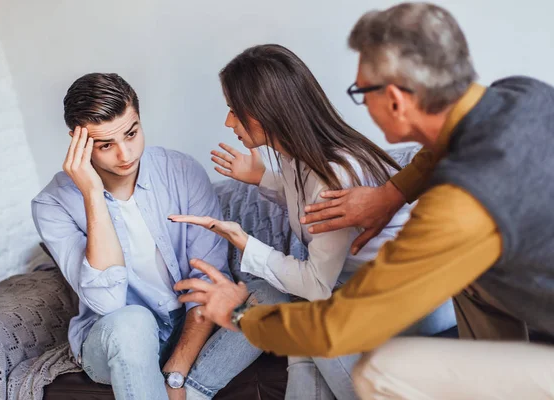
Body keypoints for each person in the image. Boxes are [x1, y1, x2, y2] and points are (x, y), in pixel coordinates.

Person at [173, 3, 554, 399]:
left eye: (360, 92)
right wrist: (390, 195)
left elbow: (338, 327)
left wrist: (238, 314)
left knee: (380, 371)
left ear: (395, 99)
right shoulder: (520, 93)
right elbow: (442, 148)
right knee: (474, 279)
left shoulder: (461, 203)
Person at [168, 44, 454, 399]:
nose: (229, 123)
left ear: (265, 112)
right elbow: (309, 208)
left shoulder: (332, 173)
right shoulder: (299, 159)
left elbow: (317, 284)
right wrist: (263, 179)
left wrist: (244, 242)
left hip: (420, 298)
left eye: (234, 111)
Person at [31, 73, 286, 400]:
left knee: (268, 295)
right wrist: (93, 194)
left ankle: (194, 391)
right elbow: (107, 303)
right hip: (116, 340)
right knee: (133, 322)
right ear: (76, 141)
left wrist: (177, 376)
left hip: (191, 325)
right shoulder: (51, 205)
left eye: (132, 133)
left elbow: (208, 278)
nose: (125, 155)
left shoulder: (180, 170)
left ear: (139, 118)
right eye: (106, 145)